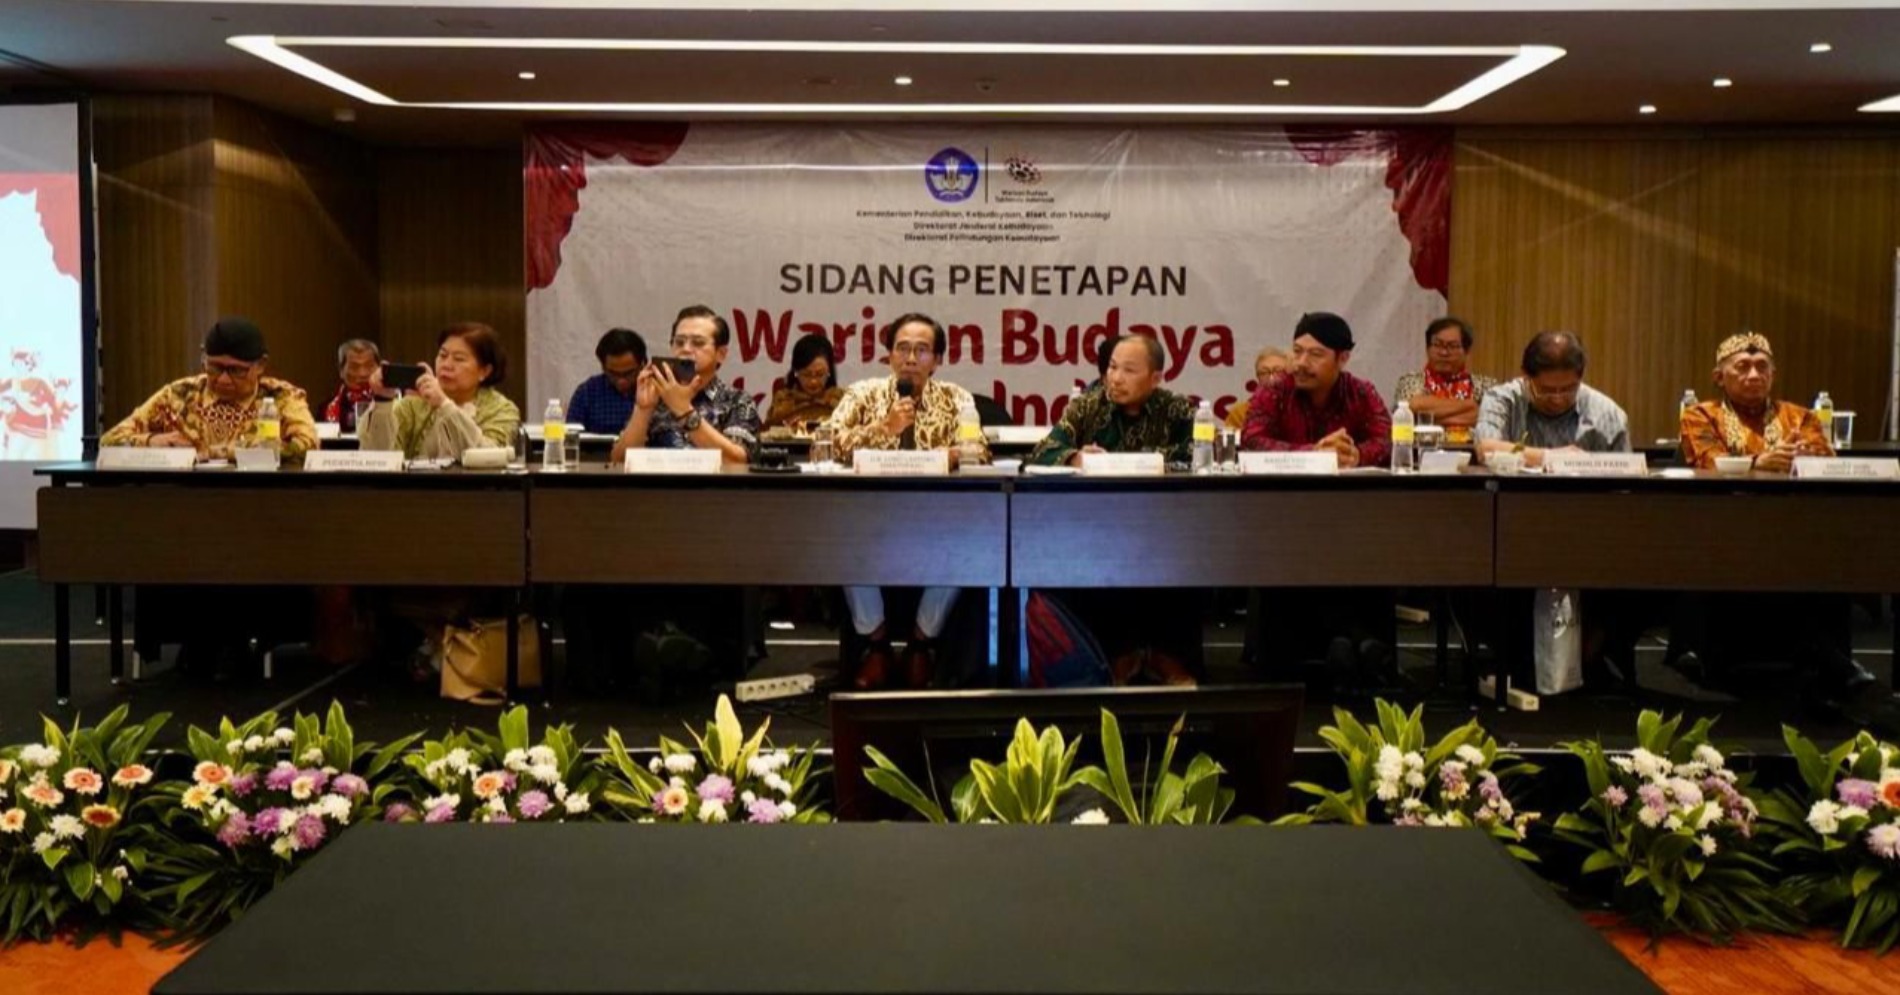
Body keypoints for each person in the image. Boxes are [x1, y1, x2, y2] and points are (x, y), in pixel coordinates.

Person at [827, 313, 990, 689]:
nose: (911, 358)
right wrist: (885, 428)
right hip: (872, 515)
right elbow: (832, 441)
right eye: (902, 348)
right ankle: (878, 645)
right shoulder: (863, 394)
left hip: (935, 517)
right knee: (843, 542)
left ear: (938, 360)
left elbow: (978, 450)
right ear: (888, 355)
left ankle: (920, 643)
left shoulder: (956, 398)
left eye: (921, 350)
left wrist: (952, 455)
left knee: (968, 545)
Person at [1029, 334, 1200, 686]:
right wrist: (1075, 456)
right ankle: (1119, 657)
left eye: (1129, 370)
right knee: (1105, 562)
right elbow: (1042, 452)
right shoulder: (1087, 407)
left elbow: (1194, 459)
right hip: (1097, 526)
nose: (1116, 378)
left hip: (1162, 525)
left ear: (1156, 378)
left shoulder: (1178, 410)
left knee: (1186, 559)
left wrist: (1132, 463)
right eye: (1112, 368)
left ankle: (1165, 658)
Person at [102, 316, 318, 461]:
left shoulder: (280, 397)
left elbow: (308, 446)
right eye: (214, 368)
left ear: (260, 365)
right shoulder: (179, 394)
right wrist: (151, 441)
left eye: (236, 371)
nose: (223, 380)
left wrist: (225, 452)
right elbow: (110, 440)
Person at [610, 305, 759, 465]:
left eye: (698, 343)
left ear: (720, 354)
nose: (686, 349)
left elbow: (737, 461)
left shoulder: (737, 400)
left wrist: (684, 411)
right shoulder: (657, 397)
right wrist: (643, 410)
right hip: (657, 488)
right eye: (679, 342)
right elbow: (618, 462)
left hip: (714, 490)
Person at [1240, 312, 1391, 468]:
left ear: (1342, 359)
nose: (1301, 363)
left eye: (1315, 354)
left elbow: (1389, 442)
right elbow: (1251, 441)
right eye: (1297, 351)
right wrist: (1314, 454)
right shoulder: (1274, 390)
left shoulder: (1360, 392)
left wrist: (1356, 455)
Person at [359, 322, 521, 460]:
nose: (446, 365)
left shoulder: (502, 410)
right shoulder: (414, 403)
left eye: (459, 359)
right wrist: (383, 401)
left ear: (484, 371)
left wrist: (444, 404)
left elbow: (486, 458)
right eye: (442, 356)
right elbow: (377, 457)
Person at [1680, 331, 1832, 472]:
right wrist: (1757, 462)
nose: (1754, 375)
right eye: (1742, 367)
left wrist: (1804, 456)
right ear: (1719, 378)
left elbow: (1827, 463)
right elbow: (1708, 460)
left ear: (1772, 375)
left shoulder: (1800, 417)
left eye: (1762, 367)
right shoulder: (1701, 415)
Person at [1475, 331, 1629, 468]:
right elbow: (1486, 449)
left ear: (1580, 377)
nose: (1558, 399)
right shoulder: (1503, 400)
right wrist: (1554, 458)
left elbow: (1627, 483)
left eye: (1568, 389)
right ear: (1526, 377)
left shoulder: (1608, 415)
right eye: (1546, 390)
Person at [1390, 317, 1497, 442]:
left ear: (1466, 351)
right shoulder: (1410, 381)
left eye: (1452, 346)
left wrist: (1428, 417)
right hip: (1421, 455)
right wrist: (1470, 405)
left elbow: (1489, 421)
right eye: (1437, 345)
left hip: (1472, 455)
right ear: (1427, 348)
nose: (1444, 352)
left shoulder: (1486, 385)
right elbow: (1413, 406)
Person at [567, 328, 649, 435]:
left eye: (628, 373)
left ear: (642, 365)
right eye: (613, 374)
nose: (621, 381)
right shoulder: (587, 392)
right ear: (603, 367)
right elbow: (570, 438)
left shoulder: (656, 391)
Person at [765, 334, 844, 431]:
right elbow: (767, 434)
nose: (813, 381)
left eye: (820, 374)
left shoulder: (842, 401)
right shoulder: (782, 401)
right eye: (806, 374)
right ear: (796, 372)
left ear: (829, 372)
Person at [322, 339, 384, 432]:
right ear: (341, 371)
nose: (363, 373)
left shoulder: (394, 404)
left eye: (369, 366)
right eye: (354, 367)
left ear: (380, 368)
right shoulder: (325, 409)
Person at [1224, 346, 1289, 430]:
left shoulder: (1299, 411)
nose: (1272, 378)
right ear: (1258, 377)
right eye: (1264, 372)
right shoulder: (1240, 413)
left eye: (1278, 371)